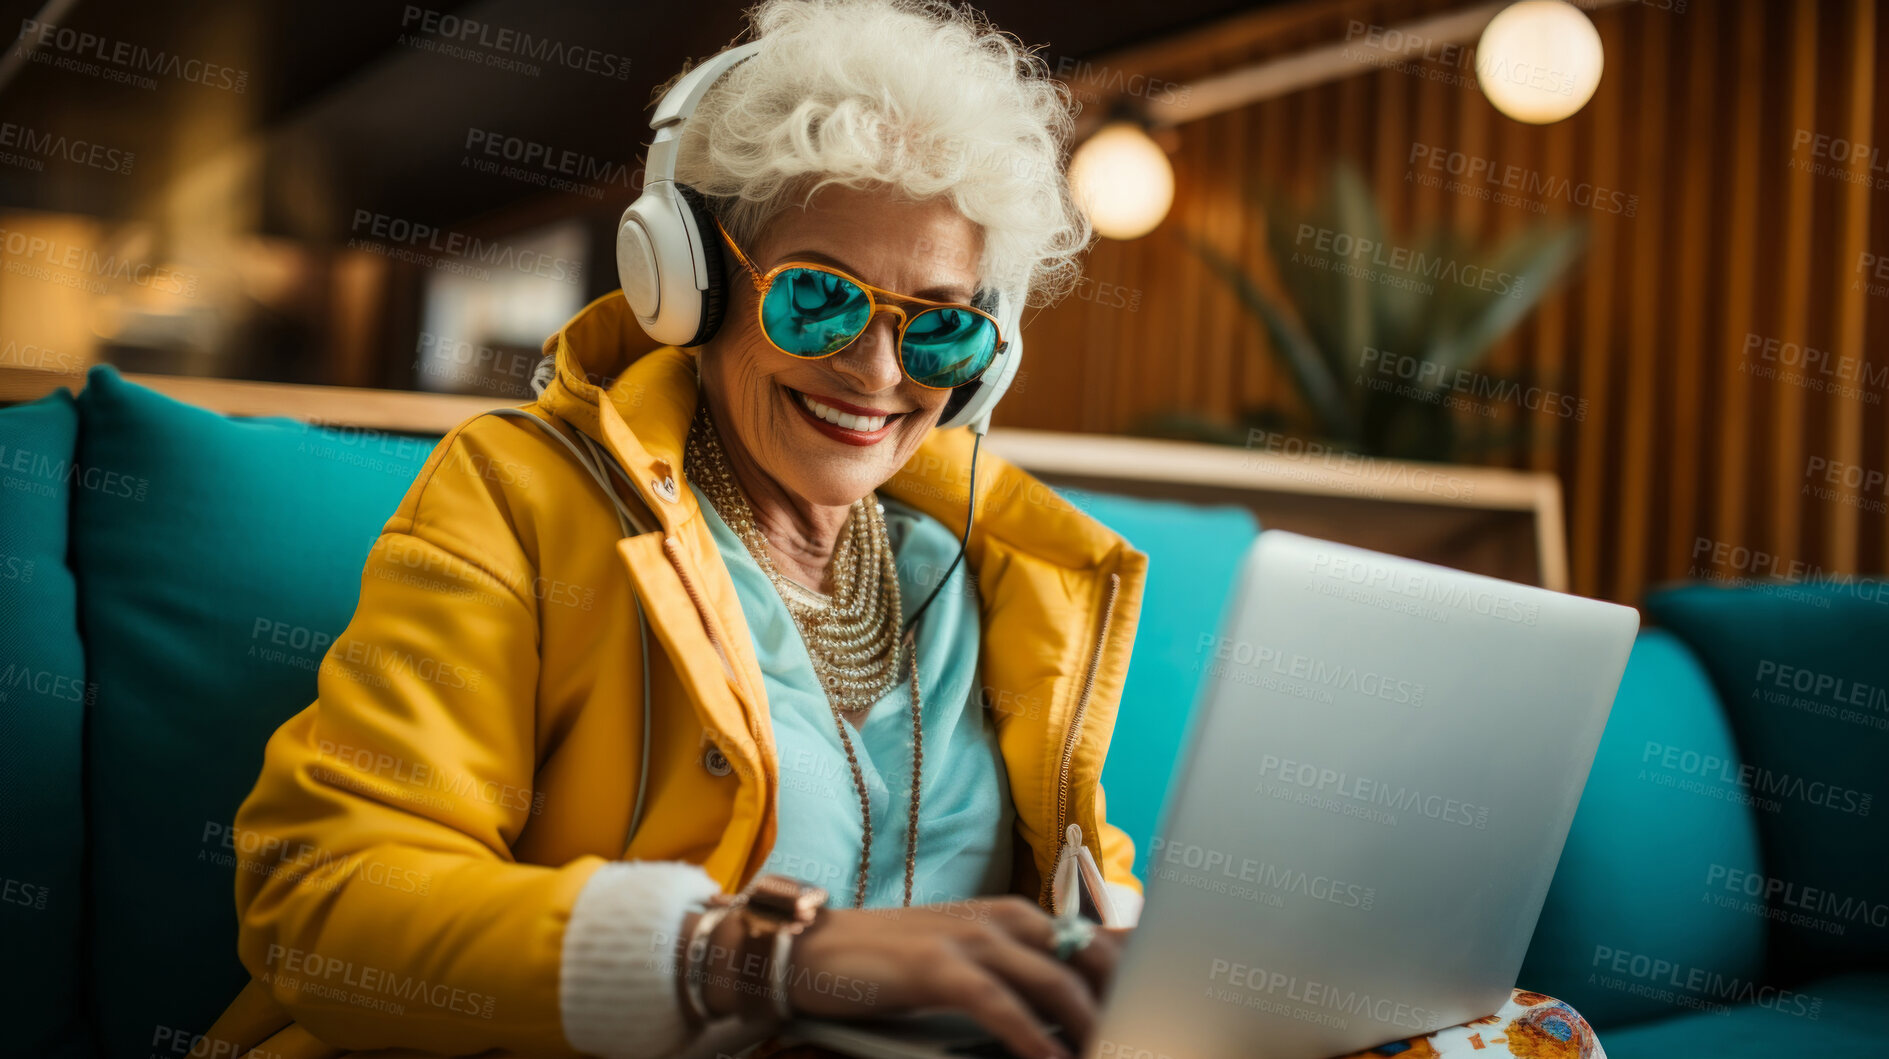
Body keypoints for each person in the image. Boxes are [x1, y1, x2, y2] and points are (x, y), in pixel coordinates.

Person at [199, 2, 1604, 1057]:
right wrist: (759, 960)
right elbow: (321, 898)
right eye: (817, 299)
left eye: (938, 324)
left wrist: (1149, 966)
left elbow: (1053, 898)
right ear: (691, 282)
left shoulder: (1004, 569)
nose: (879, 374)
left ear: (983, 354)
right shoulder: (518, 496)